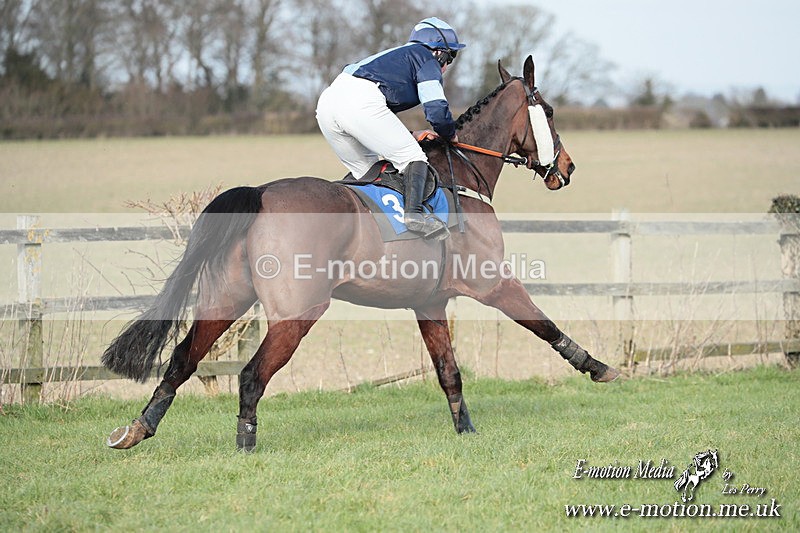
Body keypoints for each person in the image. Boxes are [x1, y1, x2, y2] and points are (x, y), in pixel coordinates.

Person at [316, 17, 465, 238]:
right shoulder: (426, 59)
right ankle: (414, 216)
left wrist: (410, 133)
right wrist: (450, 134)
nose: (447, 66)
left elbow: (377, 116)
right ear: (439, 52)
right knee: (412, 157)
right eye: (450, 57)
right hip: (360, 102)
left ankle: (367, 233)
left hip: (327, 104)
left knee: (367, 172)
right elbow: (435, 109)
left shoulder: (396, 58)